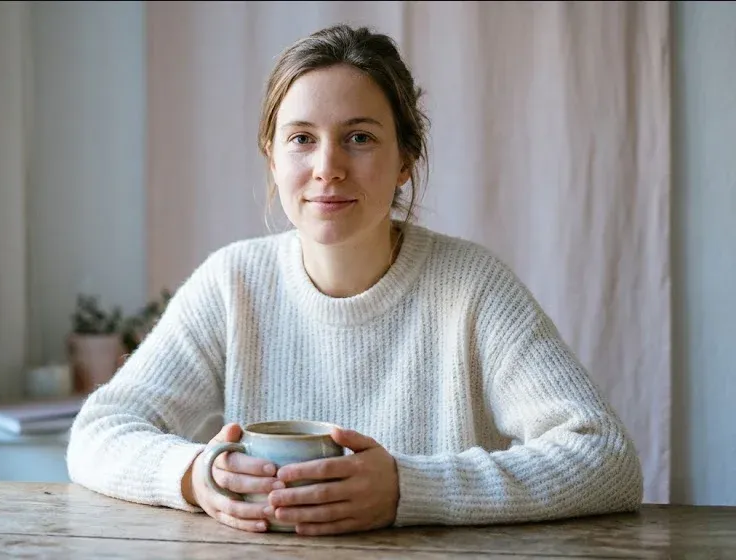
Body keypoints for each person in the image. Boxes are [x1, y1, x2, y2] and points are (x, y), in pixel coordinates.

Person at [65, 23, 643, 536]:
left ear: (405, 161)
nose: (327, 167)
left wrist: (407, 489)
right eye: (301, 139)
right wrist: (194, 475)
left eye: (360, 137)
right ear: (272, 157)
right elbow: (98, 432)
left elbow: (606, 459)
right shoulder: (231, 283)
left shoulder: (474, 287)